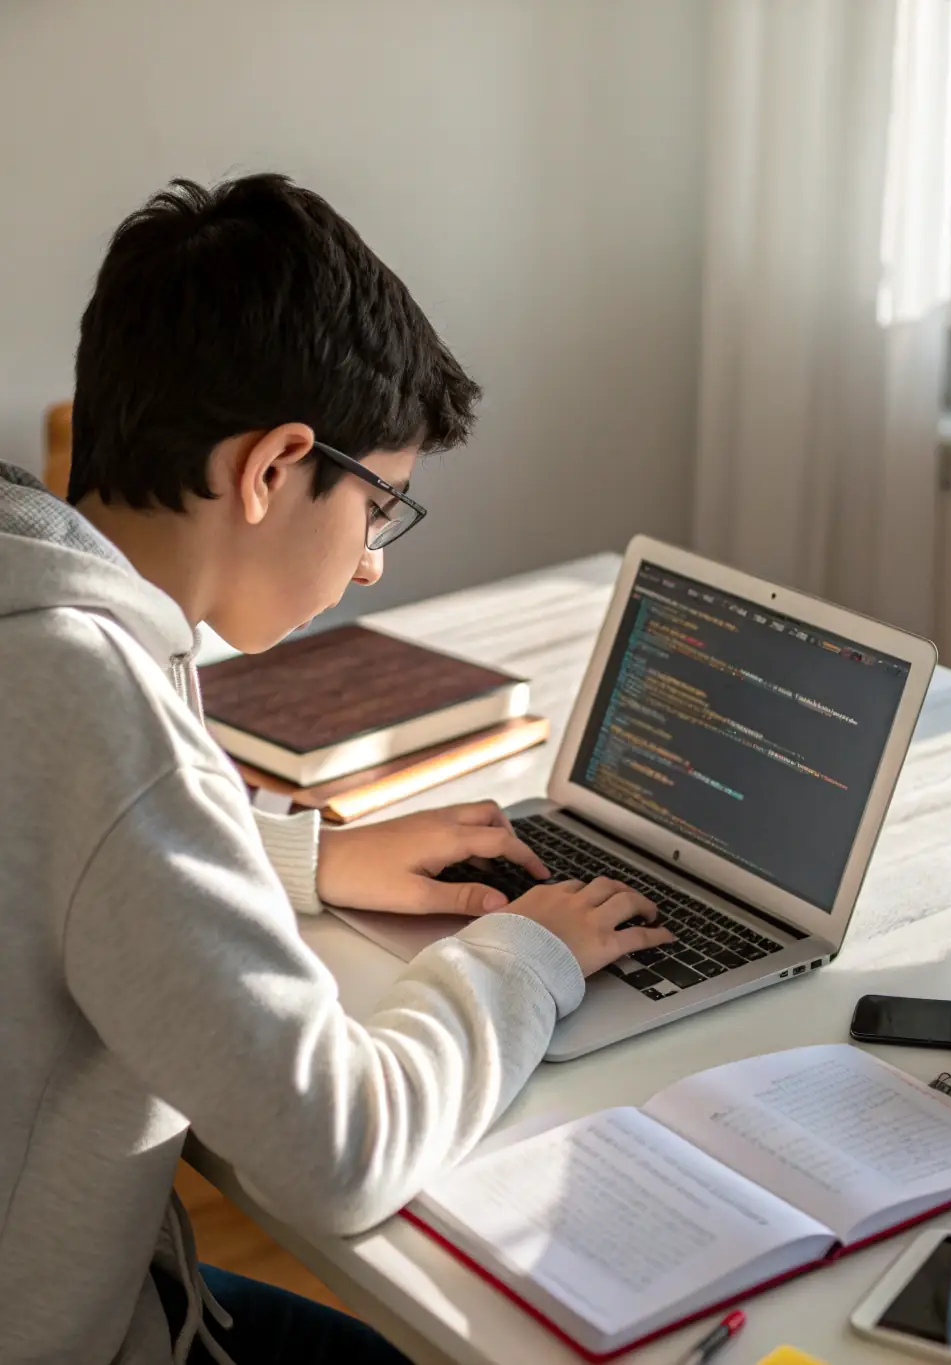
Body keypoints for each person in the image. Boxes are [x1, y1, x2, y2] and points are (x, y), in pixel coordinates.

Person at [0, 174, 673, 1365]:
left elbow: (48, 848)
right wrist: (527, 959)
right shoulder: (95, 701)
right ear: (273, 468)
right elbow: (338, 1152)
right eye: (381, 509)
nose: (369, 565)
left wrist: (300, 856)